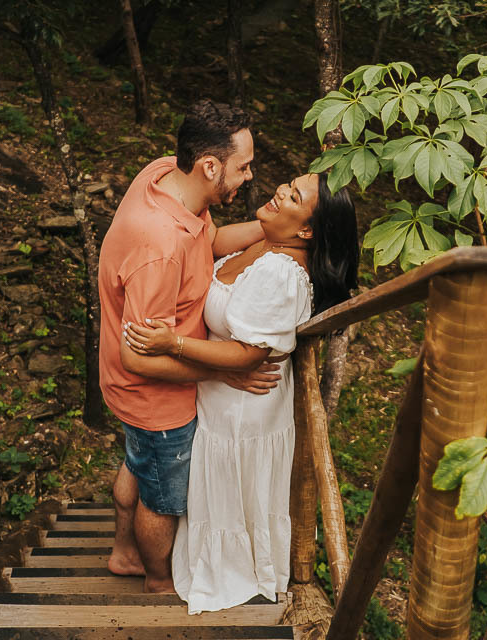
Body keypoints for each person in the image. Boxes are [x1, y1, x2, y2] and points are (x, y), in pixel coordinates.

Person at [122, 172, 359, 612]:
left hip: (243, 406)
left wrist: (171, 343)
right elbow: (209, 242)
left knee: (233, 493)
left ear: (307, 229)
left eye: (292, 196)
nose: (279, 192)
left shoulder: (281, 273)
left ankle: (234, 570)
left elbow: (250, 354)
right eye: (287, 183)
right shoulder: (268, 240)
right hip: (219, 392)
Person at [97, 99, 280, 594]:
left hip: (128, 394)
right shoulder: (159, 245)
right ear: (210, 165)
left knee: (140, 463)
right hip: (153, 396)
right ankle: (157, 582)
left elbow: (211, 240)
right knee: (164, 496)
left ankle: (123, 551)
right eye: (242, 168)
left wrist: (273, 231)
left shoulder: (164, 176)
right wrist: (226, 372)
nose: (248, 177)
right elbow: (137, 355)